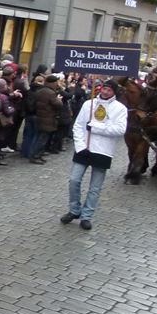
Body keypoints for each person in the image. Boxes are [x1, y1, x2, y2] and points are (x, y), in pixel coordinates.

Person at [61, 79, 128, 231]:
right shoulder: (88, 104)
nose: (105, 92)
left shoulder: (120, 109)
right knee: (74, 180)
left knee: (95, 188)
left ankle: (87, 216)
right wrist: (80, 145)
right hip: (84, 148)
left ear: (114, 92)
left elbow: (119, 130)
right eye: (104, 89)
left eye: (109, 90)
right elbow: (78, 126)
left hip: (103, 151)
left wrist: (96, 127)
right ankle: (74, 209)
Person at [30, 75, 62, 164]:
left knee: (39, 137)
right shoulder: (51, 93)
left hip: (40, 116)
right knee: (42, 139)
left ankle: (36, 155)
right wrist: (59, 100)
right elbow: (58, 104)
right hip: (47, 118)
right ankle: (36, 156)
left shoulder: (40, 91)